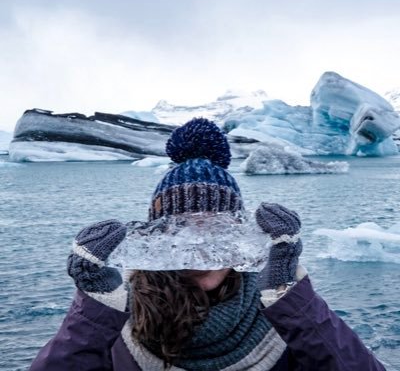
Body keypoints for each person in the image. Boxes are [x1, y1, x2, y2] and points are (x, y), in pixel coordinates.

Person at [30, 118, 386, 371]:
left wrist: (288, 290)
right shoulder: (115, 321)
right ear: (157, 235)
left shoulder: (284, 318)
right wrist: (94, 306)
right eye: (183, 230)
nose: (201, 249)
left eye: (217, 230)